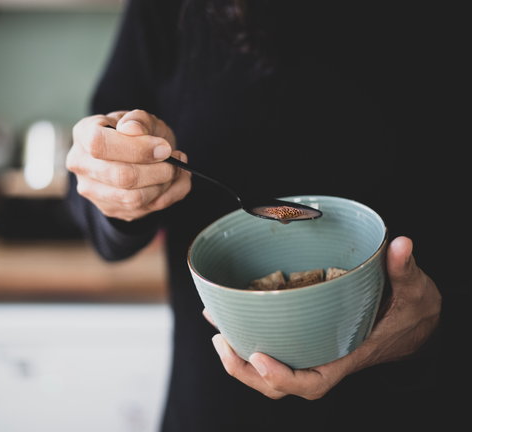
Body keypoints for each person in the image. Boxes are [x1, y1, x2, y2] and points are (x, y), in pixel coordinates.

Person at [66, 1, 469, 430]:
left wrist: (440, 328)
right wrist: (121, 182)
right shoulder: (171, 10)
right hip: (213, 410)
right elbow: (84, 199)